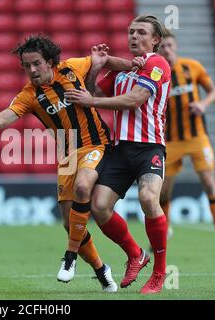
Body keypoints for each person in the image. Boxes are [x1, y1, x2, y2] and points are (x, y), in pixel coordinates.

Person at [0, 35, 143, 292]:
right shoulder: (29, 95)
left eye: (36, 64)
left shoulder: (72, 68)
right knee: (69, 223)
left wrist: (132, 65)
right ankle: (100, 269)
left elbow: (103, 59)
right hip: (67, 156)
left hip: (96, 145)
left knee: (84, 188)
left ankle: (70, 256)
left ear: (50, 62)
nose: (31, 70)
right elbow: (0, 123)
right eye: (26, 66)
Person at [65, 15, 171, 294]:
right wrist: (96, 68)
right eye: (131, 32)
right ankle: (136, 254)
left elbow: (135, 100)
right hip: (121, 149)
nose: (133, 37)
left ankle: (159, 275)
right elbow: (92, 93)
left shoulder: (157, 64)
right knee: (99, 207)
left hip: (149, 148)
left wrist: (93, 101)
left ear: (155, 40)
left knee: (149, 198)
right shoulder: (123, 72)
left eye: (141, 33)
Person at [158, 28, 215, 257]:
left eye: (169, 45)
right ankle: (163, 230)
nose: (167, 50)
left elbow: (214, 92)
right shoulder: (157, 75)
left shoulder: (193, 67)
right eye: (162, 47)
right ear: (157, 50)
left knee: (209, 183)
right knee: (163, 192)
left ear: (176, 46)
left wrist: (204, 104)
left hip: (197, 137)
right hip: (170, 141)